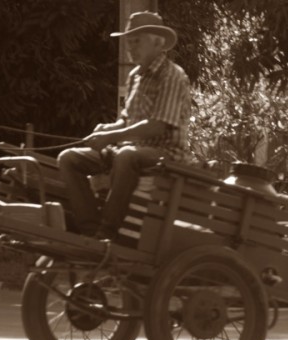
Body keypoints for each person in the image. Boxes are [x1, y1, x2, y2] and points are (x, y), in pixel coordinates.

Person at [58, 11, 191, 239]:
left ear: (158, 43)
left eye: (136, 41)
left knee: (125, 155)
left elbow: (157, 125)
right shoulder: (135, 76)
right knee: (69, 158)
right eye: (128, 42)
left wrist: (112, 137)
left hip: (167, 155)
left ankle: (107, 233)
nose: (130, 47)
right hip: (132, 152)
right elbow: (126, 120)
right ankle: (89, 231)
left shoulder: (173, 76)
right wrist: (107, 128)